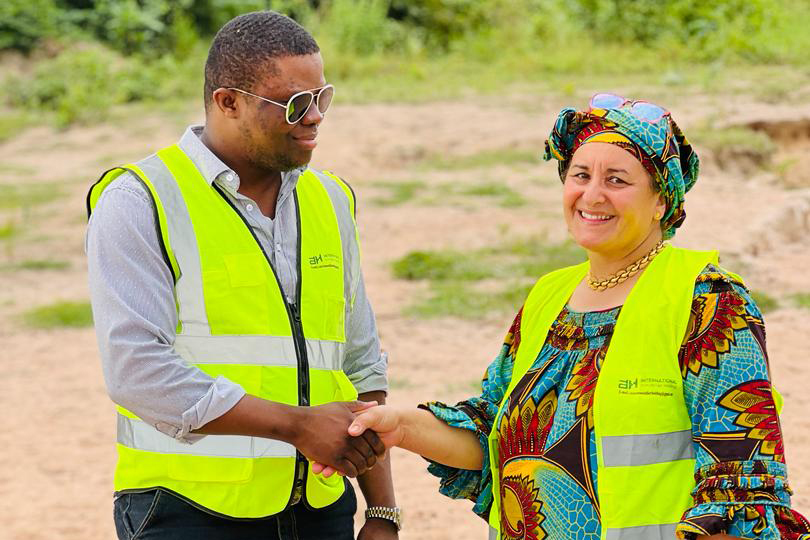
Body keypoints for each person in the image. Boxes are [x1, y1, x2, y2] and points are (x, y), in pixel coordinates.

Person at [316, 95, 810, 539]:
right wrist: (399, 427)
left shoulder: (707, 301)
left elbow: (742, 483)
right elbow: (490, 434)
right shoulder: (550, 296)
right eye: (580, 175)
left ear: (662, 200)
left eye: (617, 179)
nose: (592, 195)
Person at [86, 11, 400, 540]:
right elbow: (137, 371)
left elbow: (361, 365)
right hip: (185, 511)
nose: (315, 117)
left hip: (321, 510)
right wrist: (298, 426)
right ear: (227, 101)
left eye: (323, 98)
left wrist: (382, 513)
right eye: (296, 104)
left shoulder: (331, 201)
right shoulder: (140, 199)